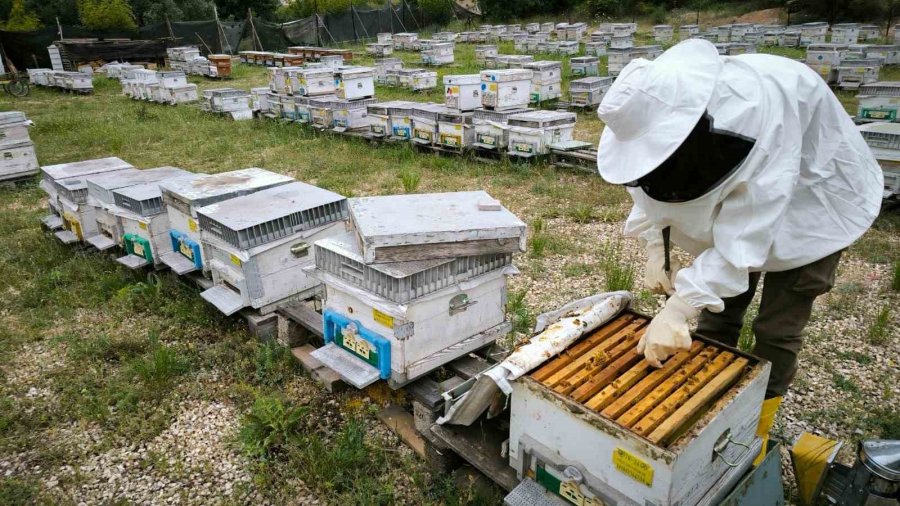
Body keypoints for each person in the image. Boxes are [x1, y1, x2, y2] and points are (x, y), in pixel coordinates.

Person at [595, 39, 883, 463]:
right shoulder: (660, 118)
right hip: (758, 200)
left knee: (778, 328)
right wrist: (658, 248)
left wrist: (679, 306)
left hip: (814, 205)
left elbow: (744, 240)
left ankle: (756, 428)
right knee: (719, 312)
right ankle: (707, 401)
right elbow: (648, 190)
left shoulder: (759, 122)